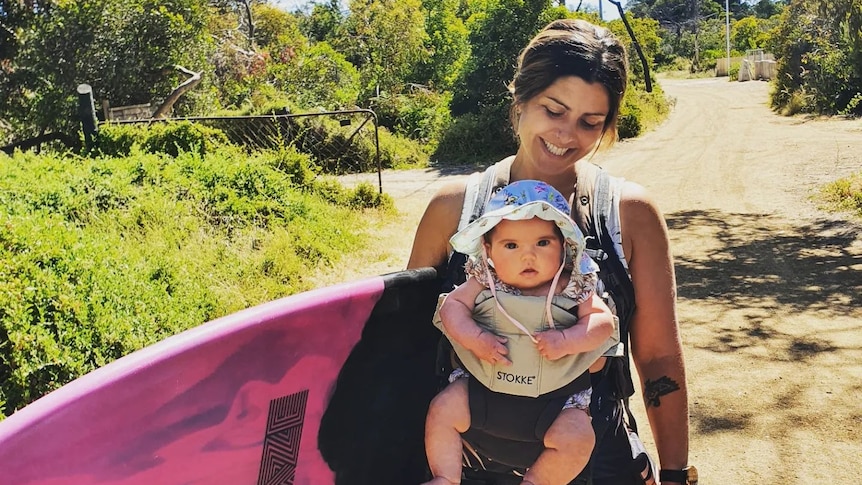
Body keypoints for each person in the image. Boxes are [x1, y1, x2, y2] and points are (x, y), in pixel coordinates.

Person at [408, 18, 692, 485]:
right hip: (465, 466)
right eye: (553, 110)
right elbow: (411, 345)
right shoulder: (453, 209)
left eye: (590, 122)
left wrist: (677, 473)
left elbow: (659, 357)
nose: (566, 134)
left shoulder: (629, 215)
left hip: (598, 462)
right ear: (519, 102)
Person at [423, 180, 618, 485]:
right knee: (443, 409)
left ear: (565, 246)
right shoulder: (485, 281)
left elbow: (603, 323)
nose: (528, 257)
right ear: (487, 250)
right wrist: (474, 337)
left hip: (558, 400)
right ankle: (446, 477)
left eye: (542, 243)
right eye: (511, 246)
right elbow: (451, 308)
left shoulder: (573, 285)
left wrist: (569, 340)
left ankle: (536, 481)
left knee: (578, 437)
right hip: (481, 388)